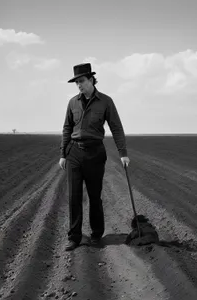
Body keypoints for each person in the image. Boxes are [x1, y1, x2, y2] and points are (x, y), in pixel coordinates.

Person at [59, 63, 130, 251]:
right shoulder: (72, 102)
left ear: (91, 80)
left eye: (81, 81)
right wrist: (63, 154)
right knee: (74, 196)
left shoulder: (106, 101)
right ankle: (74, 237)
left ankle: (96, 234)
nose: (79, 85)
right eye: (76, 83)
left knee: (94, 196)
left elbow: (116, 127)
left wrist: (123, 153)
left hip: (95, 153)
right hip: (74, 152)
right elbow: (67, 128)